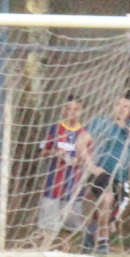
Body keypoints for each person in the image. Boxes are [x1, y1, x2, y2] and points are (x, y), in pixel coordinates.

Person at [82, 96, 130, 255]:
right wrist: (91, 166)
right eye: (118, 105)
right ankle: (102, 244)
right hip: (103, 171)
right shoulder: (103, 123)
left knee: (110, 218)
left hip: (121, 177)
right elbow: (81, 142)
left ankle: (90, 236)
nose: (121, 108)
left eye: (126, 106)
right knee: (107, 199)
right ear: (113, 107)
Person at [35, 97, 91, 248]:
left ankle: (65, 253)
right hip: (53, 185)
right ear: (63, 110)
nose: (71, 112)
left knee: (69, 225)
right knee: (47, 223)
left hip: (73, 185)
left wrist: (78, 161)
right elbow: (41, 152)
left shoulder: (85, 133)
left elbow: (89, 158)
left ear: (81, 111)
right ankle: (43, 250)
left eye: (75, 109)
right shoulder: (55, 129)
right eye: (68, 108)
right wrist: (54, 153)